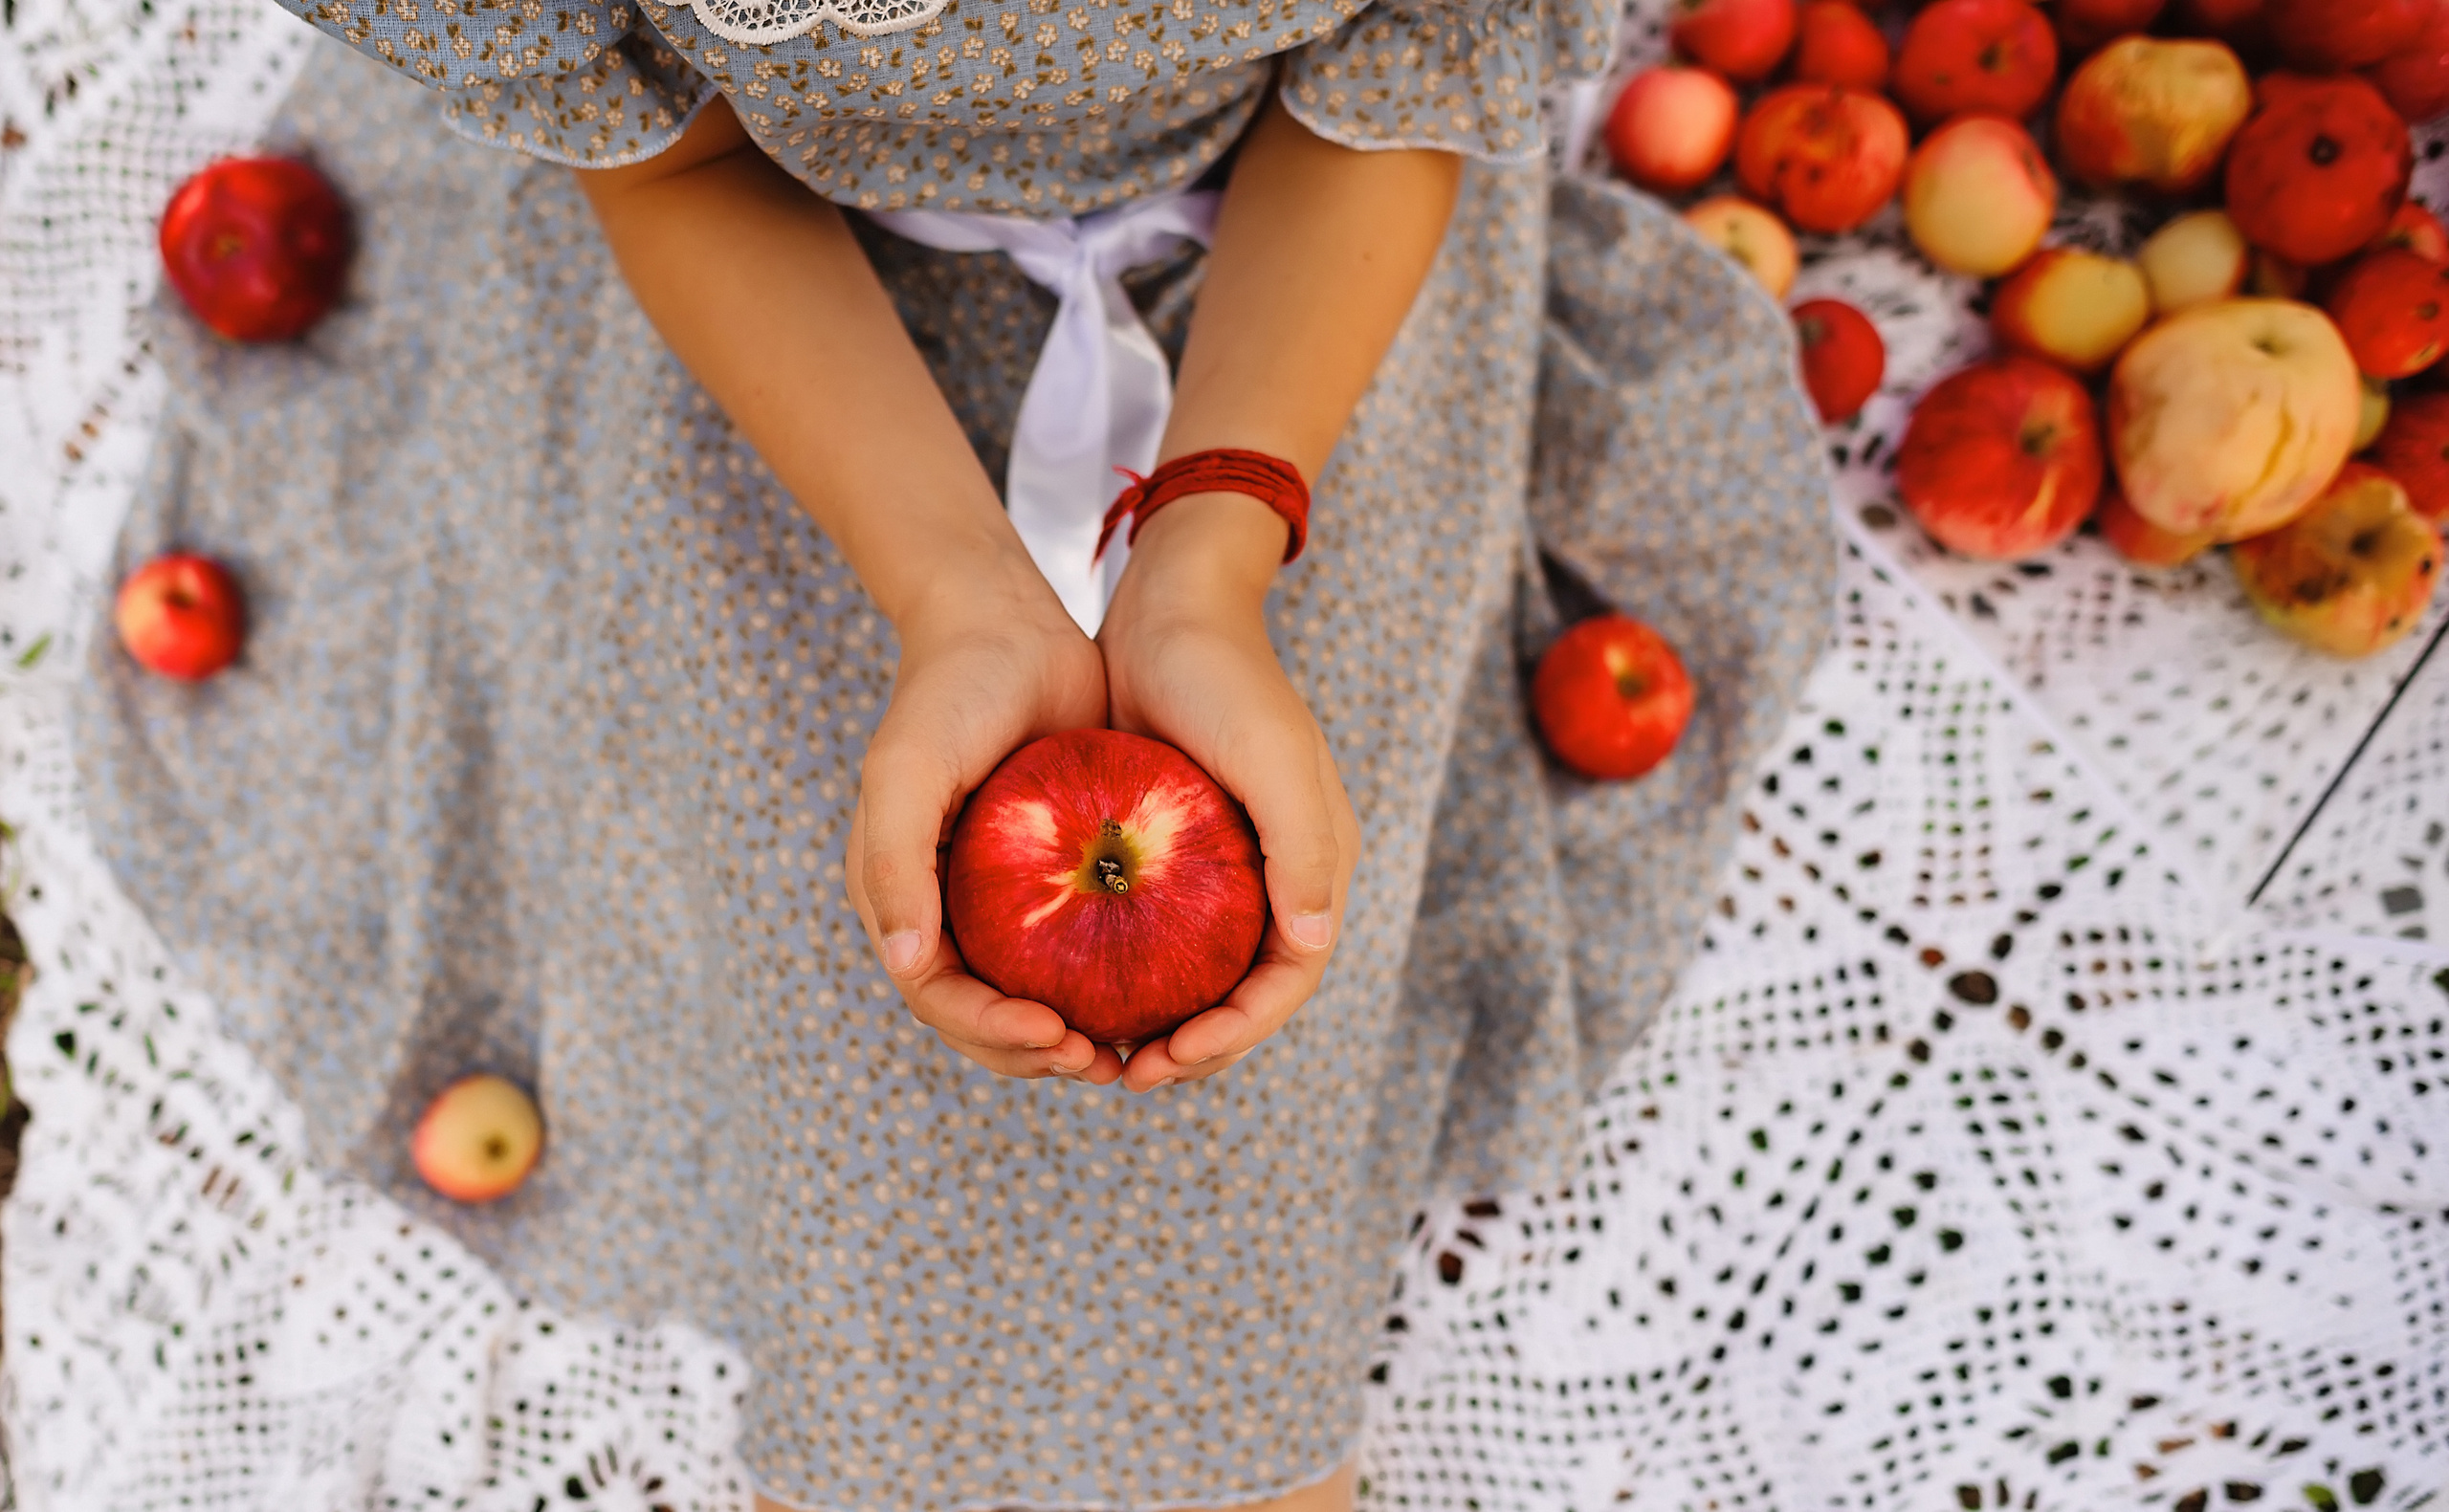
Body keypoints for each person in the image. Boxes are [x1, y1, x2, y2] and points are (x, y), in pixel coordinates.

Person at [75, 0, 1835, 1504]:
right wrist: (957, 598)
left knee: (1227, 1211)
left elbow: (1380, 86)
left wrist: (1209, 556)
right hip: (774, 304)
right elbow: (678, 160)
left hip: (1297, 296)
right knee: (814, 1029)